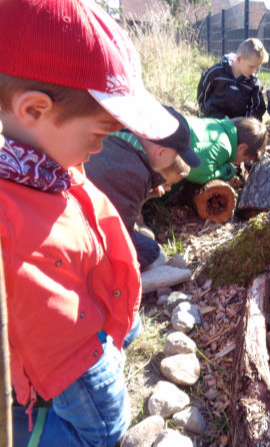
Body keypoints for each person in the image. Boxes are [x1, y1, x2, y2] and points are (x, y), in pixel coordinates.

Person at [0, 0, 179, 445]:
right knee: (103, 431)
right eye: (97, 134)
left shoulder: (46, 165)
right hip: (69, 357)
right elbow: (43, 328)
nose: (99, 149)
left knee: (128, 331)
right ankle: (31, 432)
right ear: (35, 110)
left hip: (93, 311)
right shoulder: (13, 210)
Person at [85, 106, 199, 271]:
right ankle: (111, 278)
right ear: (161, 152)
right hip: (90, 235)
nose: (176, 159)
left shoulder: (113, 136)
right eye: (176, 155)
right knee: (150, 249)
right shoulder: (136, 173)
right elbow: (120, 230)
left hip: (79, 219)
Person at [197, 38, 269, 121]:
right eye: (251, 67)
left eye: (257, 67)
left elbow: (257, 108)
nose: (254, 71)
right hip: (213, 121)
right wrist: (204, 110)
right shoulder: (216, 73)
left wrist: (247, 124)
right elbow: (203, 92)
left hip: (237, 126)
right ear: (239, 59)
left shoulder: (253, 84)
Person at [184, 116, 268, 185]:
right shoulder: (224, 147)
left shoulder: (217, 124)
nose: (241, 162)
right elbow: (196, 173)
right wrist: (226, 171)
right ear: (242, 147)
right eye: (245, 159)